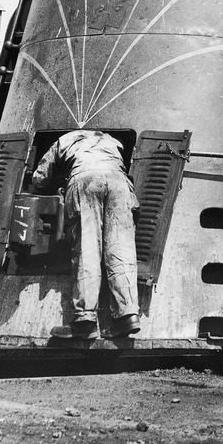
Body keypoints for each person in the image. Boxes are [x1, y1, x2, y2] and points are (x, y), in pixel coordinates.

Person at [32, 129, 141, 340]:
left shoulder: (64, 140)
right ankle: (127, 317)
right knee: (121, 250)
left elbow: (41, 178)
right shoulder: (112, 141)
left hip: (85, 179)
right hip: (119, 182)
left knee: (87, 250)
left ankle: (85, 321)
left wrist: (44, 183)